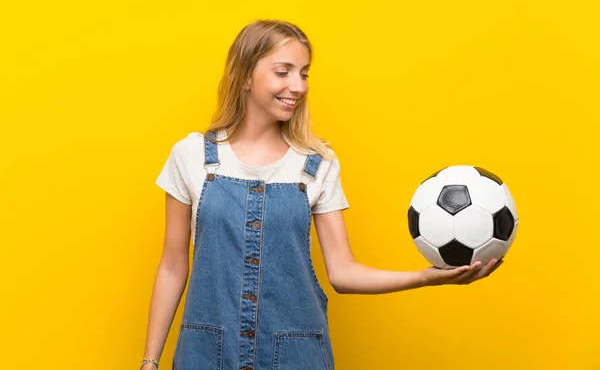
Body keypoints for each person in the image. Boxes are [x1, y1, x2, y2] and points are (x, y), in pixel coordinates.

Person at [140, 19, 502, 370]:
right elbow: (173, 266)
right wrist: (150, 360)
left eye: (304, 73)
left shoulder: (317, 164)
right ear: (246, 75)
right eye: (283, 72)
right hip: (206, 354)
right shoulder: (191, 156)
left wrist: (426, 277)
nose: (297, 86)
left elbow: (343, 273)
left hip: (296, 356)